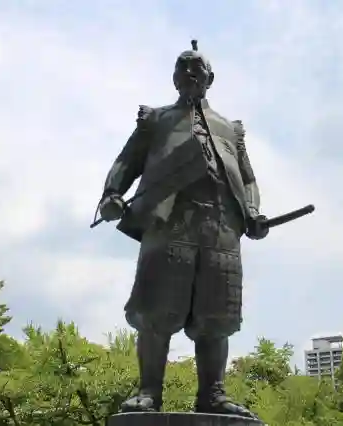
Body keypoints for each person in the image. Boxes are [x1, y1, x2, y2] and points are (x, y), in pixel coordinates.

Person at [97, 40, 268, 418]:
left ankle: (213, 393)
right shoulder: (156, 121)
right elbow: (126, 162)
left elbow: (248, 179)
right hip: (168, 224)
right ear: (173, 76)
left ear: (210, 78)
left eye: (197, 68)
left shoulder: (230, 129)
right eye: (182, 67)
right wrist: (112, 194)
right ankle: (148, 391)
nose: (189, 73)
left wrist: (253, 211)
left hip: (220, 229)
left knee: (216, 316)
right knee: (156, 312)